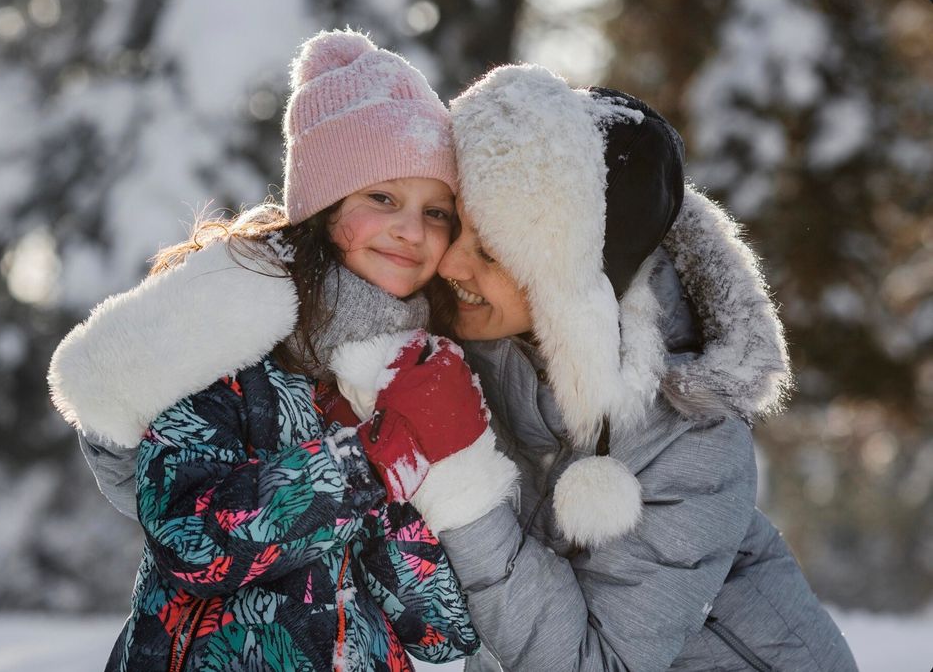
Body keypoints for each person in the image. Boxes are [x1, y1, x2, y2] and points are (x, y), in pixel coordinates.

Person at [331, 65, 858, 670]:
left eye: (492, 251)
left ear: (574, 284)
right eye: (459, 224)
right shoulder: (485, 328)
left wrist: (465, 484)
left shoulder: (694, 440)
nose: (450, 263)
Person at [47, 30, 483, 672]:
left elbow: (442, 633)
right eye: (382, 198)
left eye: (437, 212)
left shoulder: (413, 372)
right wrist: (364, 463)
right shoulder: (227, 344)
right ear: (324, 205)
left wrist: (412, 463)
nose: (411, 230)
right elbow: (191, 542)